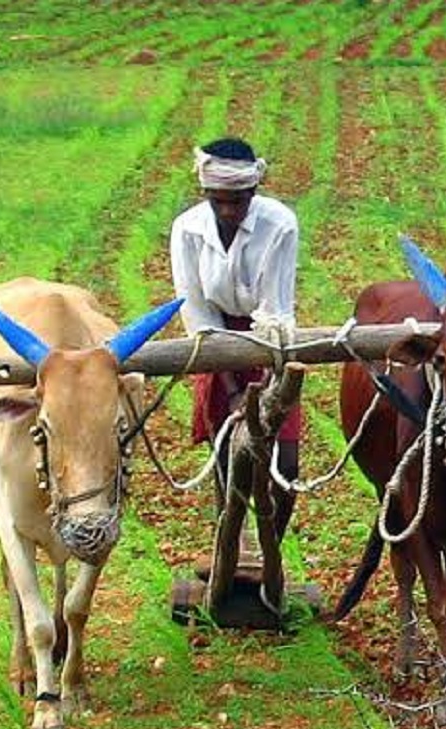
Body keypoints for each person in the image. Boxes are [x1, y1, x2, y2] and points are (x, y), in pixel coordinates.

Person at [170, 137, 301, 541]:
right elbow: (197, 312)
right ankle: (230, 544)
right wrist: (229, 390)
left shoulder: (279, 223)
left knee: (286, 462)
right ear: (207, 193)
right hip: (215, 341)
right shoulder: (188, 229)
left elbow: (274, 310)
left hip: (269, 340)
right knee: (229, 451)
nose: (228, 210)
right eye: (219, 201)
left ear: (254, 191)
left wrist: (268, 392)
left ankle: (270, 549)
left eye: (238, 201)